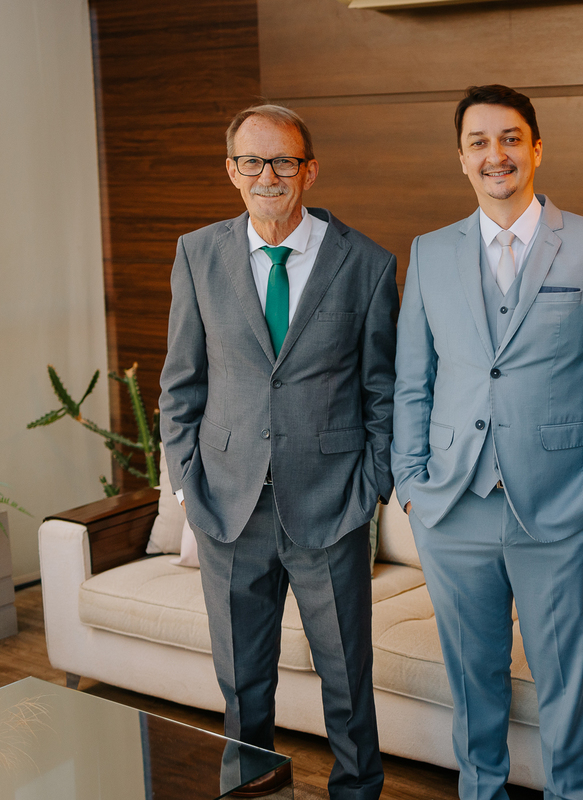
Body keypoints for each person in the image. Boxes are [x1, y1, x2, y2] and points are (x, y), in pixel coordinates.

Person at [391, 84, 583, 800]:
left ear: (536, 149)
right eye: (479, 142)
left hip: (560, 506)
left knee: (563, 682)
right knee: (472, 680)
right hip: (450, 504)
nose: (496, 155)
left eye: (510, 138)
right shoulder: (430, 252)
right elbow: (412, 381)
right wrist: (411, 485)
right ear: (461, 158)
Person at [160, 104, 397, 800]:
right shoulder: (196, 254)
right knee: (242, 684)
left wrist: (370, 486)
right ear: (232, 171)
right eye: (251, 161)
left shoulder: (367, 262)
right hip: (227, 505)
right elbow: (181, 381)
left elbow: (382, 390)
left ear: (309, 170)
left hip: (331, 505)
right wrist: (187, 484)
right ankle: (253, 794)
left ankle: (357, 792)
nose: (268, 175)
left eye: (284, 161)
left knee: (347, 680)